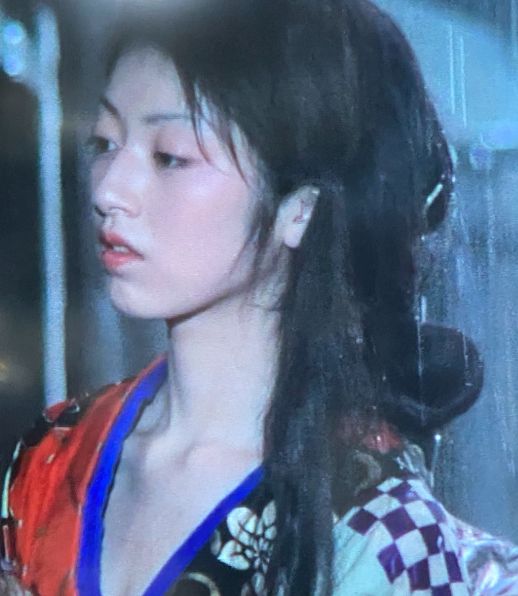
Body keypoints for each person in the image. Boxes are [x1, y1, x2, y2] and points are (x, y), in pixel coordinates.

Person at [1, 0, 508, 593]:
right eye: (104, 143)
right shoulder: (55, 451)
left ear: (301, 209)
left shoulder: (382, 528)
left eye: (170, 157)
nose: (110, 189)